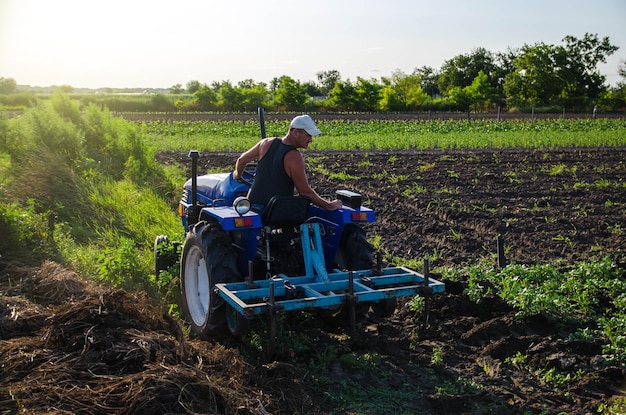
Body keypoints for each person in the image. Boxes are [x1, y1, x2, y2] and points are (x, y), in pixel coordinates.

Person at [233, 114, 342, 214]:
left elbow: (241, 160)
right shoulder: (294, 156)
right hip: (277, 211)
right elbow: (304, 191)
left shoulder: (265, 143)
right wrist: (329, 206)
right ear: (295, 133)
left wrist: (237, 175)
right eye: (308, 135)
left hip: (253, 207)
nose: (311, 140)